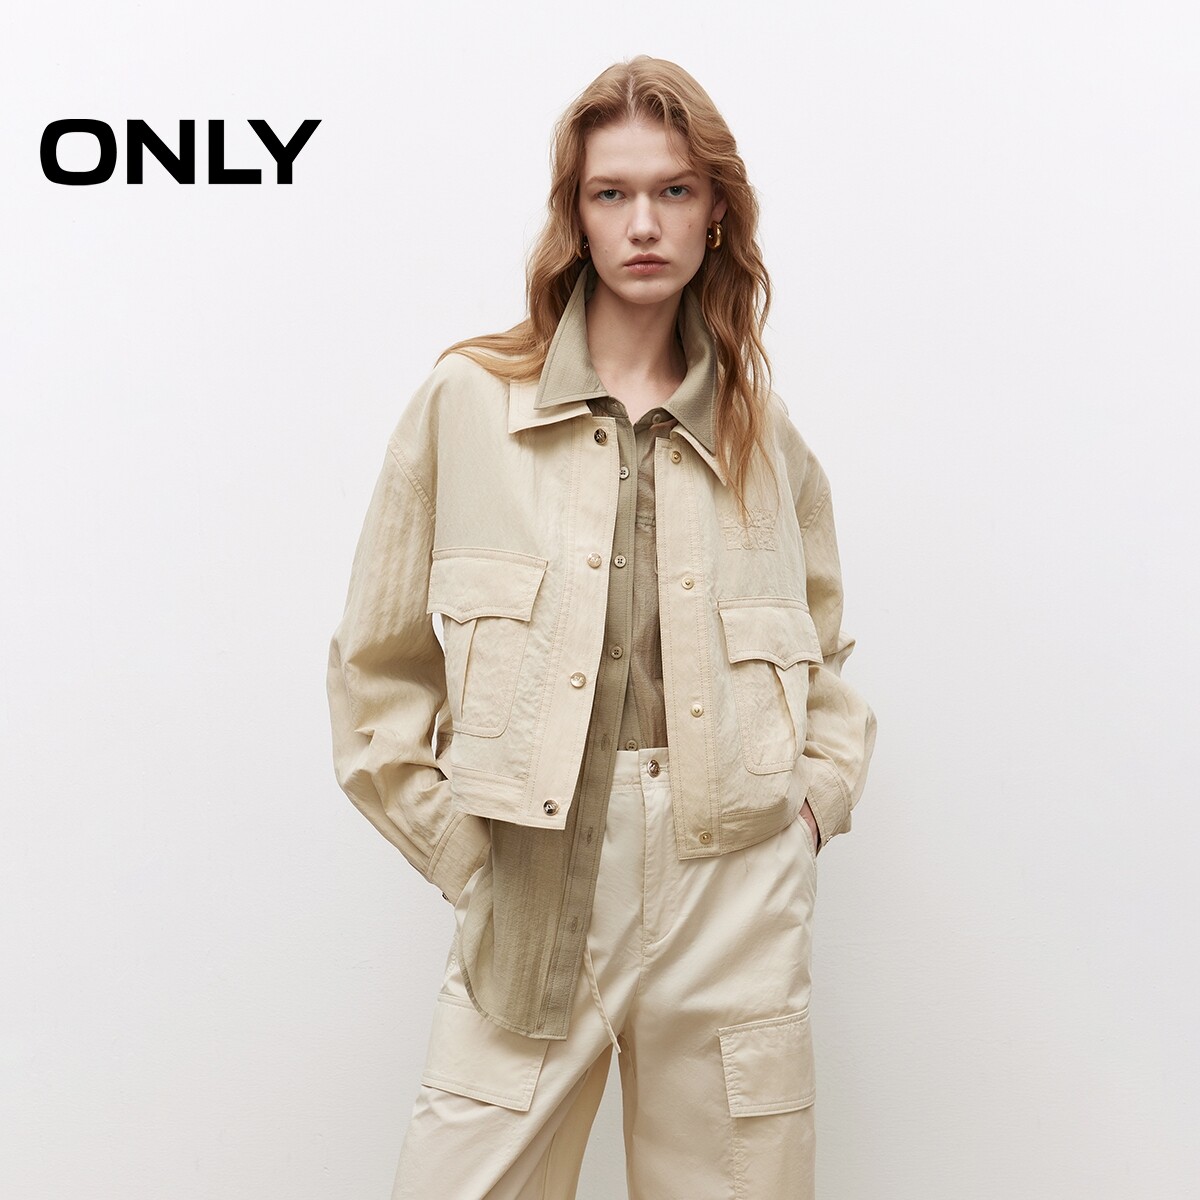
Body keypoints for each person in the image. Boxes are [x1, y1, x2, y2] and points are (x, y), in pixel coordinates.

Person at [326, 55, 876, 1200]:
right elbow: (377, 667)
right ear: (573, 215)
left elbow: (823, 646)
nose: (643, 224)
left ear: (716, 211)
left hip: (730, 883)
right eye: (610, 193)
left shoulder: (762, 432)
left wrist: (809, 810)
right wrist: (460, 852)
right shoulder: (468, 402)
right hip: (532, 873)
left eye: (674, 190)